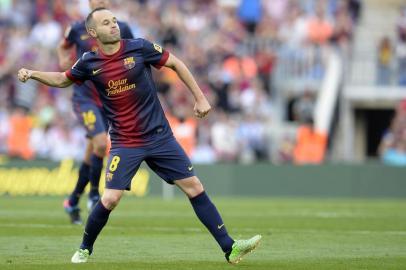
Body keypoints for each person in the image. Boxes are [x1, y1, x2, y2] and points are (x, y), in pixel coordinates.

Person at [18, 8, 261, 265]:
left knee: (195, 187)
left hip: (160, 137)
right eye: (106, 23)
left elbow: (176, 63)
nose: (113, 25)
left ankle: (230, 247)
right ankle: (85, 248)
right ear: (93, 32)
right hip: (126, 143)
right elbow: (62, 79)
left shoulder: (139, 48)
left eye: (114, 21)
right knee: (110, 199)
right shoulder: (89, 62)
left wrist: (200, 97)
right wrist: (33, 73)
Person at [56, 0, 134, 225]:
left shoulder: (122, 28)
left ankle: (72, 200)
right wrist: (63, 59)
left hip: (109, 98)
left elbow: (131, 55)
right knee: (101, 143)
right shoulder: (77, 28)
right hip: (85, 97)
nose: (100, 1)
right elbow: (63, 46)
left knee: (93, 150)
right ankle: (92, 195)